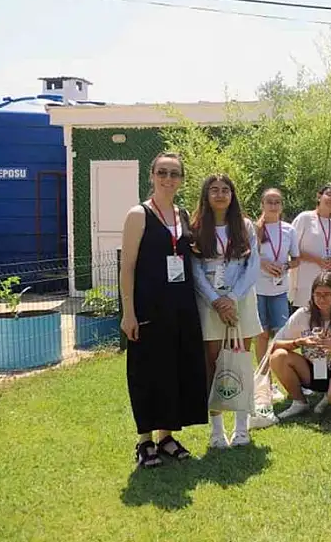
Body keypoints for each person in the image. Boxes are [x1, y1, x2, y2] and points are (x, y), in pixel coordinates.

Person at [120, 152, 207, 468]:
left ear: (182, 179)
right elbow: (127, 267)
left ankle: (166, 437)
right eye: (162, 172)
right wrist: (128, 312)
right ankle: (145, 442)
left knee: (174, 371)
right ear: (152, 175)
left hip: (181, 308)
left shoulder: (183, 215)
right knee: (146, 372)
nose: (168, 179)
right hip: (148, 308)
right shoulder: (138, 214)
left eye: (174, 174)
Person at [189, 174, 262, 449]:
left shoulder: (245, 227)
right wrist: (216, 300)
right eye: (214, 190)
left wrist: (231, 298)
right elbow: (195, 270)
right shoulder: (196, 228)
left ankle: (241, 428)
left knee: (240, 360)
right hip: (210, 304)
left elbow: (252, 266)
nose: (220, 195)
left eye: (225, 190)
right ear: (206, 195)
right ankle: (217, 430)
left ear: (232, 195)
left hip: (241, 300)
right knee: (213, 363)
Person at [271, 273, 331, 418]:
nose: (322, 299)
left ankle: (330, 396)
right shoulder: (302, 315)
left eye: (327, 294)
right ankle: (299, 402)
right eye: (317, 294)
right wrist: (299, 342)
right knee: (278, 356)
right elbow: (274, 345)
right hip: (312, 370)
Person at [251, 187, 301, 428]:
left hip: (279, 288)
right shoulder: (254, 228)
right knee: (261, 335)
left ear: (282, 206)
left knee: (281, 335)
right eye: (269, 202)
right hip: (257, 288)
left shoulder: (289, 229)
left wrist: (286, 266)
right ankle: (264, 384)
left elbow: (297, 258)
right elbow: (245, 256)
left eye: (277, 202)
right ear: (262, 204)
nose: (273, 206)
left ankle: (287, 383)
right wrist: (264, 263)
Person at [291, 184, 331, 307]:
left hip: (329, 285)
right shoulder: (305, 218)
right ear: (319, 196)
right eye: (329, 194)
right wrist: (316, 259)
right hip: (306, 282)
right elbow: (291, 248)